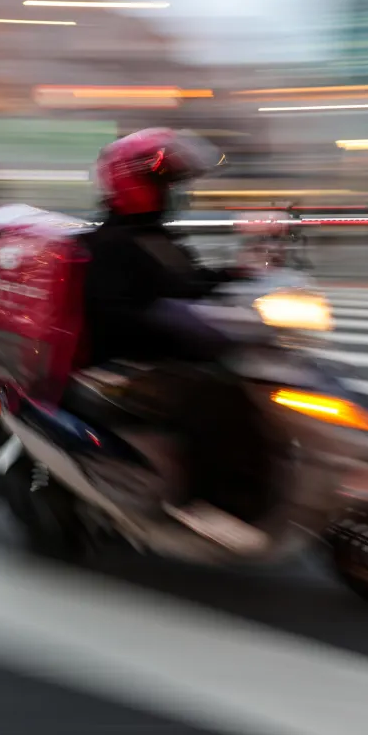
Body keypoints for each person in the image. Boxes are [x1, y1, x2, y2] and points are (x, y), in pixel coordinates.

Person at [80, 128, 275, 554]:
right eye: (167, 184)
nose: (175, 193)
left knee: (264, 382)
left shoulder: (156, 237)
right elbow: (116, 316)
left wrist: (237, 274)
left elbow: (187, 284)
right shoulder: (109, 245)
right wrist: (174, 323)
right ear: (136, 184)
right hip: (122, 369)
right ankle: (203, 503)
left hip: (165, 358)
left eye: (175, 185)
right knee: (216, 395)